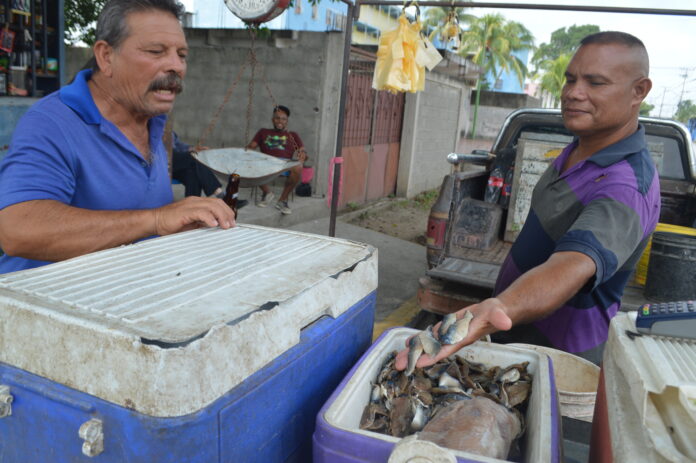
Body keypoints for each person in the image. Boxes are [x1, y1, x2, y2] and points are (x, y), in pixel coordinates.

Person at [396, 31, 660, 370]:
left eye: (595, 83)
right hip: (519, 329)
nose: (573, 93)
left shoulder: (625, 187)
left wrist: (502, 306)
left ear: (639, 91)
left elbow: (570, 265)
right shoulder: (583, 144)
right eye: (570, 79)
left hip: (559, 353)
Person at [0, 0, 235, 274]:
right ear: (106, 56)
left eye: (181, 55)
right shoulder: (53, 122)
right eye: (156, 51)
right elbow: (18, 230)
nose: (176, 66)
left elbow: (140, 214)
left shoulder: (152, 121)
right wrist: (157, 220)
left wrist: (179, 222)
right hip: (39, 309)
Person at [246, 105, 307, 215]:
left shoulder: (293, 135)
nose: (280, 121)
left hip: (284, 164)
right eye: (277, 118)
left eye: (283, 119)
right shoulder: (263, 132)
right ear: (272, 119)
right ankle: (267, 193)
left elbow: (302, 151)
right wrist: (248, 150)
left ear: (287, 121)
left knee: (298, 167)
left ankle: (282, 200)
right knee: (249, 163)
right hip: (266, 162)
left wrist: (302, 154)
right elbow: (251, 147)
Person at [171, 132, 248, 208]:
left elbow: (179, 145)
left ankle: (191, 207)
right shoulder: (160, 128)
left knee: (192, 173)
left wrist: (194, 148)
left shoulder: (170, 130)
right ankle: (223, 196)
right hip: (163, 161)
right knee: (194, 157)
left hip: (176, 164)